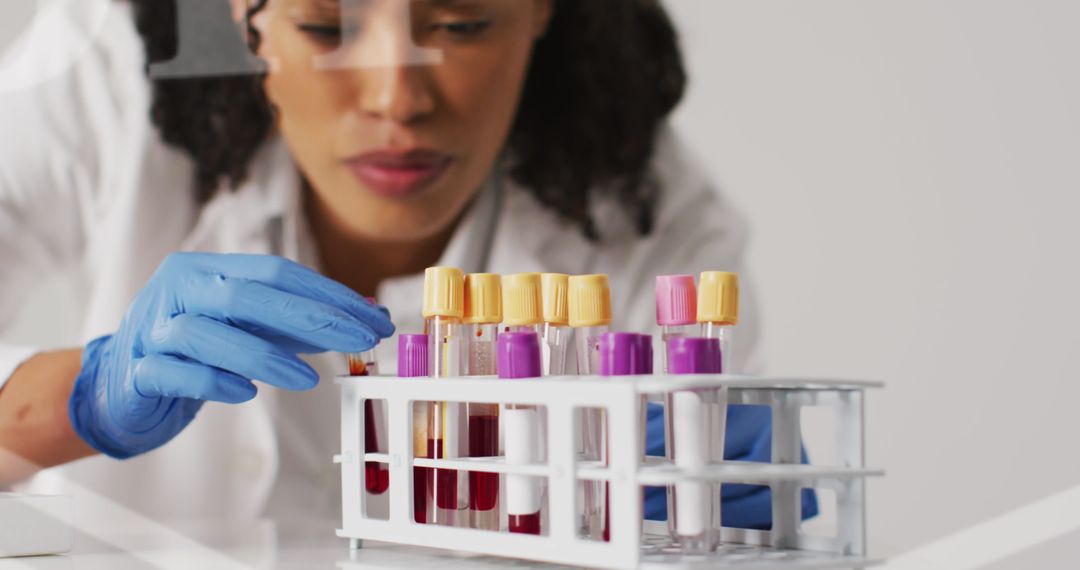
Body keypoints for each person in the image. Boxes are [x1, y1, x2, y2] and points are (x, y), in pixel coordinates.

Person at [0, 0, 813, 526]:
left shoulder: (648, 210)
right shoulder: (101, 79)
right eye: (324, 25)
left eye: (461, 26)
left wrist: (719, 509)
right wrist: (79, 402)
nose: (398, 98)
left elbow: (718, 506)